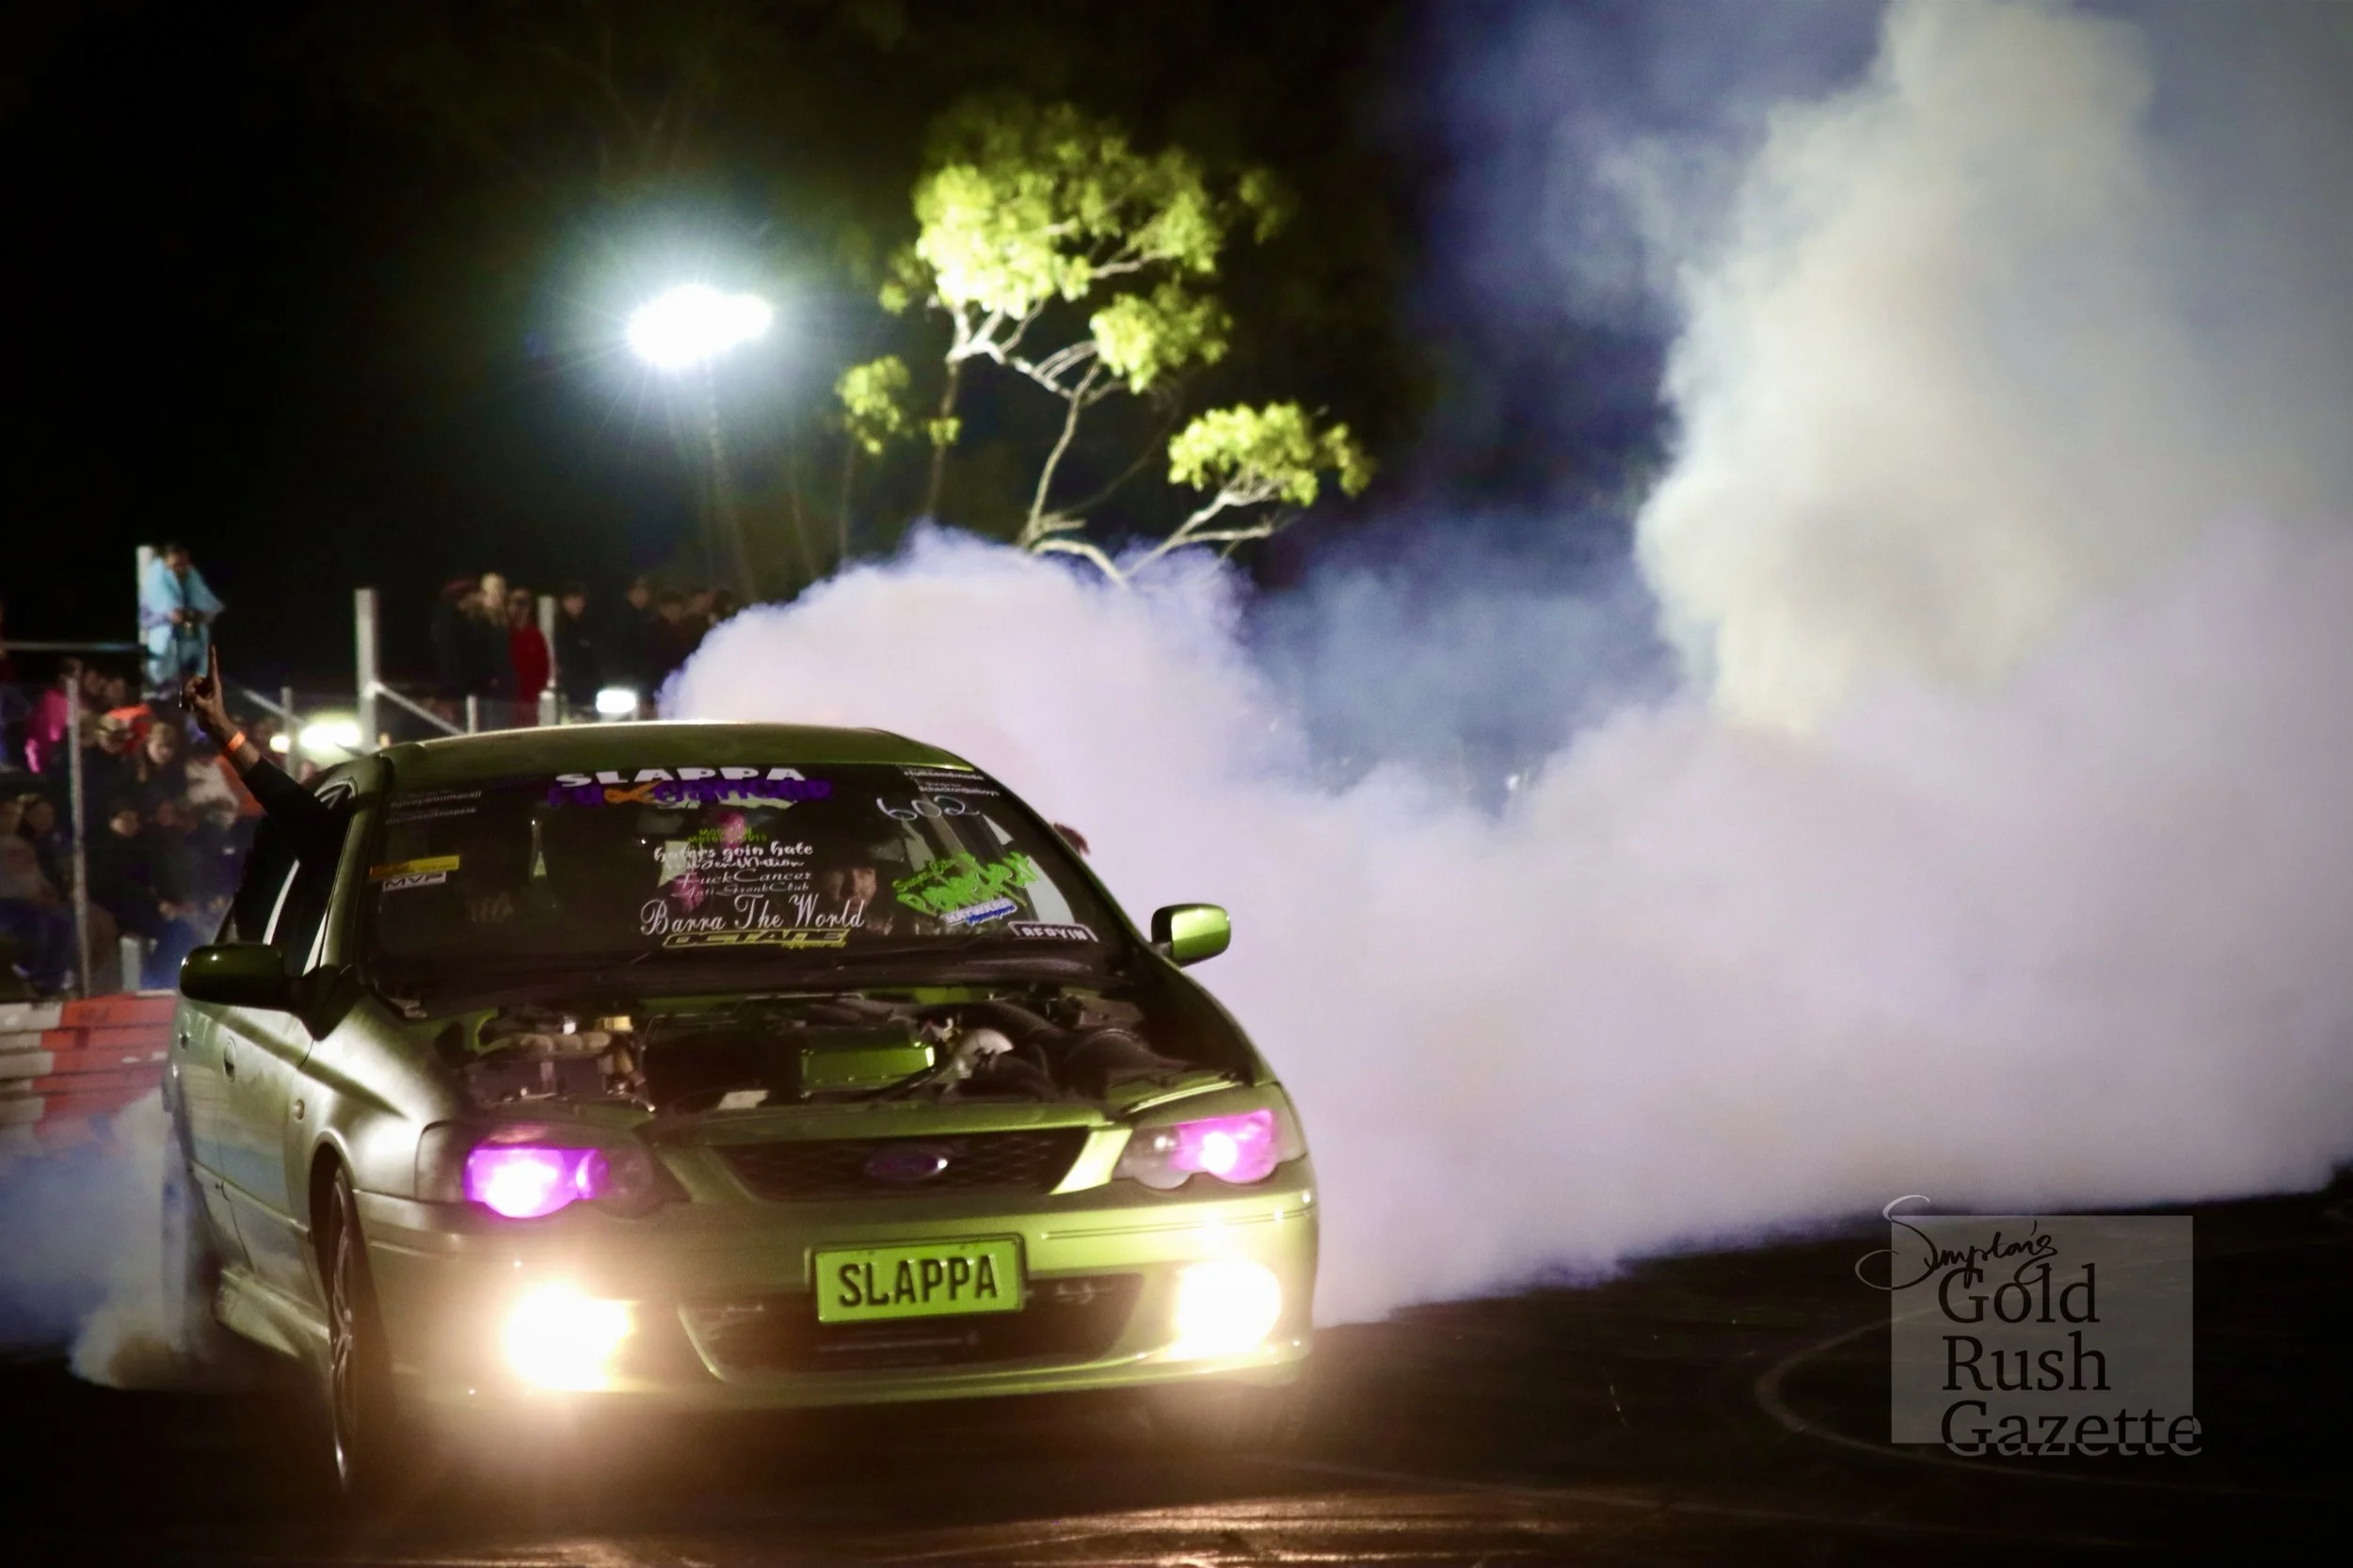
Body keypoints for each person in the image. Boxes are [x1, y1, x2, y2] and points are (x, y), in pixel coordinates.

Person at [138, 542, 224, 696]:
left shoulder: (193, 584)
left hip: (191, 660)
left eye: (184, 565)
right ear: (166, 564)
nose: (180, 570)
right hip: (164, 663)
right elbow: (143, 622)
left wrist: (201, 615)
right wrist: (166, 617)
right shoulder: (152, 592)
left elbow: (212, 608)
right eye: (176, 565)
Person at [553, 583, 600, 712]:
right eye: (574, 599)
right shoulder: (558, 626)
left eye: (581, 600)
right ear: (564, 601)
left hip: (588, 687)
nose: (579, 604)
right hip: (568, 687)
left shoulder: (585, 625)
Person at [505, 588, 550, 724]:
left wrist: (537, 687)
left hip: (529, 697)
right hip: (508, 697)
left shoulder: (534, 634)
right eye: (514, 603)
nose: (518, 608)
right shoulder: (505, 633)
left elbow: (544, 664)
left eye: (523, 603)